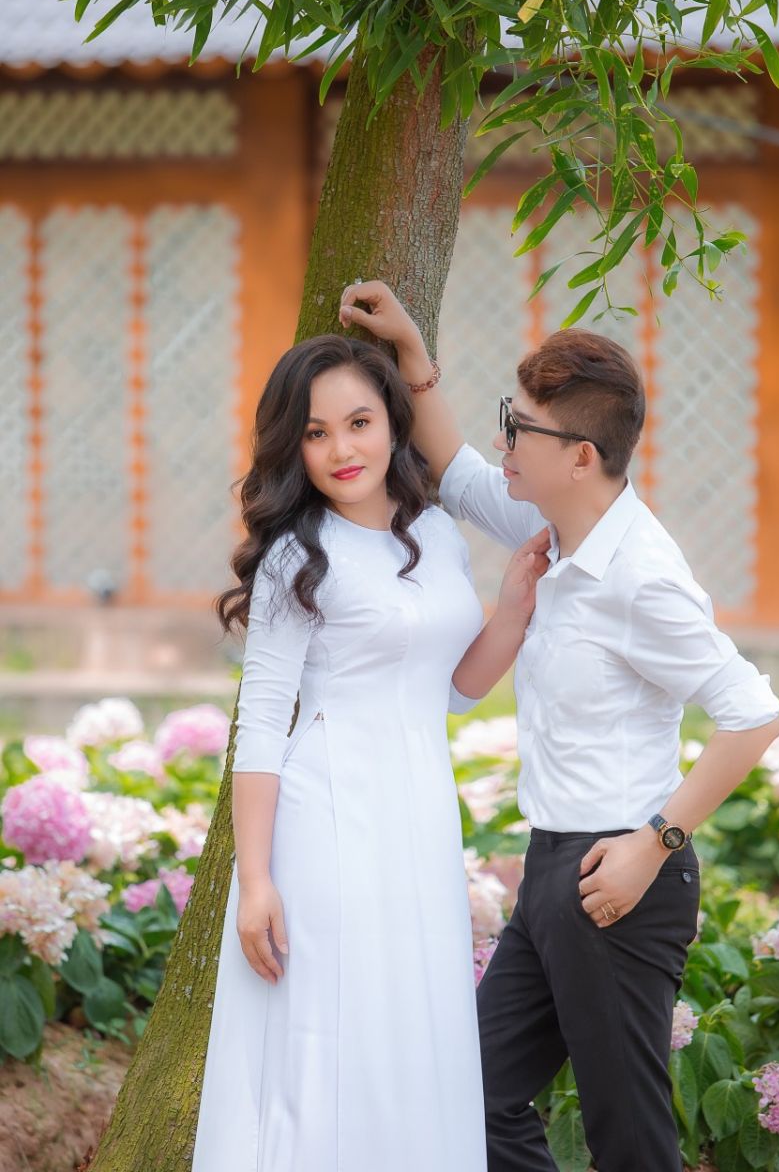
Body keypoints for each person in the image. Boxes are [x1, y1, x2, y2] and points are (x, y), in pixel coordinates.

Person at [339, 281, 779, 1172]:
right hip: (552, 868)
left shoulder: (640, 575)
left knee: (629, 1139)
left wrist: (654, 842)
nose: (505, 443)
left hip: (619, 877)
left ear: (580, 456)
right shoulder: (556, 527)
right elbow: (458, 472)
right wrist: (412, 355)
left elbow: (752, 716)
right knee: (473, 1100)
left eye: (520, 429)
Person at [192, 333, 544, 1172]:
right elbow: (261, 721)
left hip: (417, 814)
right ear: (294, 446)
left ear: (391, 421)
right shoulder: (297, 555)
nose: (341, 449)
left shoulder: (436, 533)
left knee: (410, 1024)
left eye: (357, 422)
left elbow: (451, 689)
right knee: (331, 1035)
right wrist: (256, 880)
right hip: (327, 819)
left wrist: (511, 611)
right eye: (315, 433)